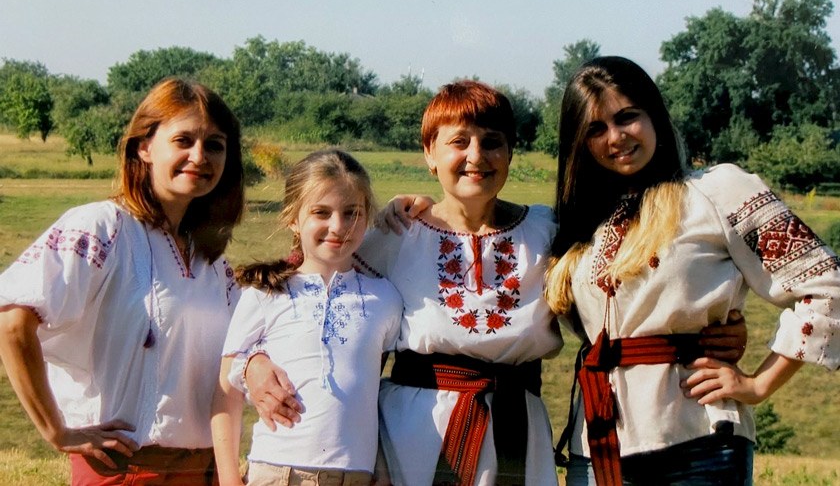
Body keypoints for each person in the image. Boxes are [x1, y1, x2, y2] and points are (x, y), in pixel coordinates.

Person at [242, 80, 748, 486]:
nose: (476, 156)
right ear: (429, 153)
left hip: (516, 426)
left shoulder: (549, 229)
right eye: (458, 142)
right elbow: (311, 292)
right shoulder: (393, 234)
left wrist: (713, 330)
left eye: (492, 141)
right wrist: (254, 361)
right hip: (415, 428)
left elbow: (623, 293)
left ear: (511, 152)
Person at [544, 56, 840, 485]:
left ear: (654, 116)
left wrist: (758, 384)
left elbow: (826, 283)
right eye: (596, 129)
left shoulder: (719, 192)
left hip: (698, 444)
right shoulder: (577, 224)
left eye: (628, 117)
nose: (616, 137)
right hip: (597, 450)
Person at [0, 78, 245, 485]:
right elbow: (12, 320)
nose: (199, 156)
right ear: (144, 147)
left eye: (215, 145)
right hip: (125, 470)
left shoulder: (213, 262)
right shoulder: (102, 227)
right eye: (183, 140)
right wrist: (56, 430)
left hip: (203, 470)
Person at [211, 149, 402, 486]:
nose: (337, 226)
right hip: (277, 472)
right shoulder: (265, 293)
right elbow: (227, 388)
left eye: (351, 212)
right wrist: (228, 478)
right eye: (321, 212)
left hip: (355, 476)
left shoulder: (385, 297)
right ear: (292, 218)